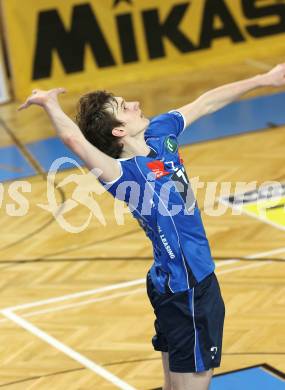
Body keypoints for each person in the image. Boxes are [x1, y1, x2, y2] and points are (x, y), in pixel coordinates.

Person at [19, 63, 285, 390]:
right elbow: (75, 141)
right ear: (119, 131)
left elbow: (207, 102)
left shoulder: (161, 134)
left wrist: (263, 79)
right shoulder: (123, 174)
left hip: (168, 282)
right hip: (188, 288)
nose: (134, 104)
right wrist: (50, 104)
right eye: (123, 108)